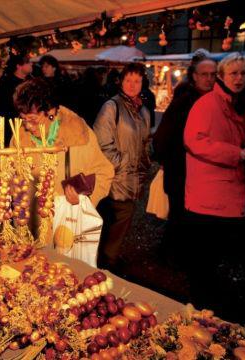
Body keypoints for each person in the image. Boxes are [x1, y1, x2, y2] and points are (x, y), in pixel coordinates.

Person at [183, 52, 245, 318]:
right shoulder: (207, 104)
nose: (239, 78)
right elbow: (194, 140)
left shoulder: (241, 105)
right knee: (204, 263)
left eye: (244, 73)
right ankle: (201, 314)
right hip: (208, 199)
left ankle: (212, 314)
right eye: (234, 73)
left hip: (228, 198)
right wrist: (234, 153)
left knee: (218, 263)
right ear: (222, 76)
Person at [13, 78, 114, 243]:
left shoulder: (79, 134)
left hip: (68, 228)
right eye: (24, 119)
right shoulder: (19, 138)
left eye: (33, 120)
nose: (28, 127)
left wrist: (83, 199)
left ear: (51, 112)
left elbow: (105, 172)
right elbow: (11, 176)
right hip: (32, 230)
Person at [152, 51, 217, 268]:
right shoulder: (185, 100)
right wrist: (166, 161)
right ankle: (170, 258)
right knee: (179, 215)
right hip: (181, 170)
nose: (209, 78)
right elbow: (164, 135)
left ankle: (176, 255)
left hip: (198, 173)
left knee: (188, 217)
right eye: (204, 74)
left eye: (213, 74)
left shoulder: (212, 99)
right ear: (194, 76)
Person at [93, 63, 152, 271]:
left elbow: (145, 143)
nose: (132, 84)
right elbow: (102, 144)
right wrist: (123, 164)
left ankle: (110, 261)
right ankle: (103, 264)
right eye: (129, 80)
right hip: (114, 179)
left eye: (137, 81)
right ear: (121, 81)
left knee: (122, 224)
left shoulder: (143, 110)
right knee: (110, 222)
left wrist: (144, 165)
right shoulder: (112, 107)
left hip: (133, 179)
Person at [0, 54, 33, 144]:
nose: (31, 64)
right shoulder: (7, 83)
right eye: (28, 63)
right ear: (19, 66)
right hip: (11, 124)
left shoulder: (31, 81)